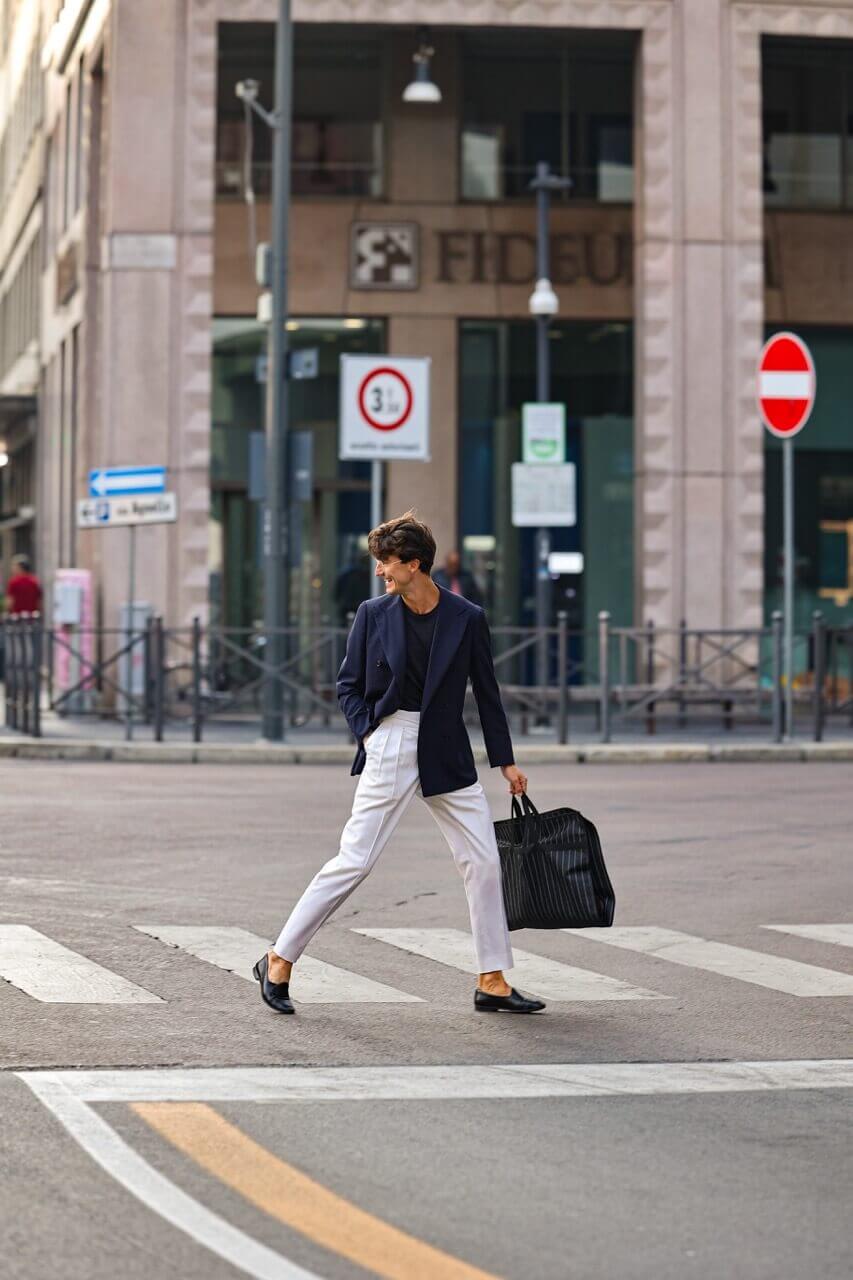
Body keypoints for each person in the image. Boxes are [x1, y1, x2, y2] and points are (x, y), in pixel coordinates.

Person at [255, 510, 545, 1016]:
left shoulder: (466, 618)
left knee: (481, 859)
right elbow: (348, 683)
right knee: (355, 861)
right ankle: (279, 958)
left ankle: (493, 979)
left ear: (415, 564)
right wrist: (368, 728)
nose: (379, 572)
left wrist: (506, 762)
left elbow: (488, 694)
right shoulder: (373, 613)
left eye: (387, 563)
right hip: (391, 739)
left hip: (446, 748)